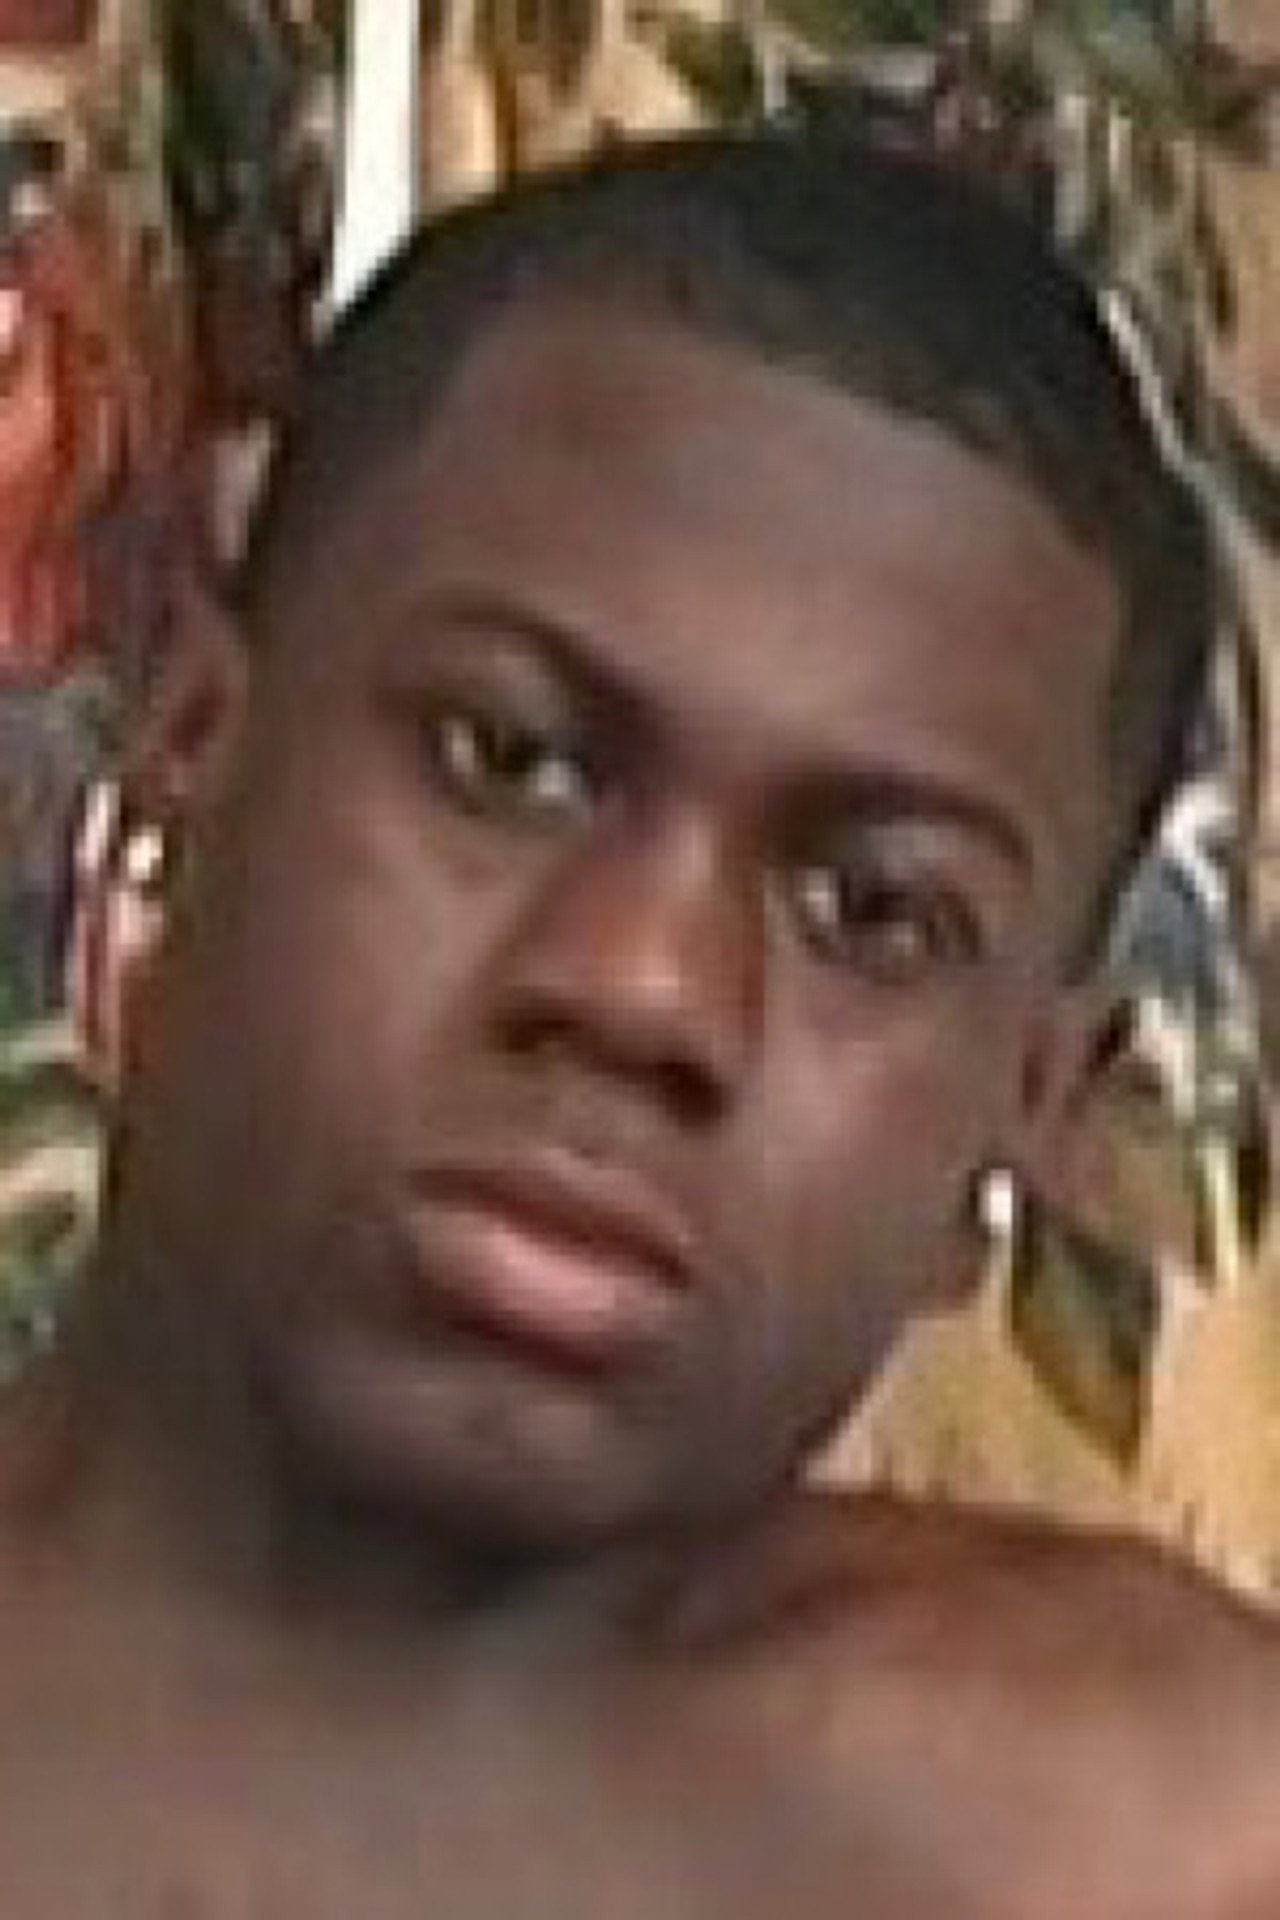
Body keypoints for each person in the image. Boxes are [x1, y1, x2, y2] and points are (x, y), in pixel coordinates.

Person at [2, 126, 1279, 1918]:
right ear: (193, 748)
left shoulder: (1162, 1840)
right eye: (510, 760)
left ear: (1032, 1102)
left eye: (875, 914)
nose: (644, 991)